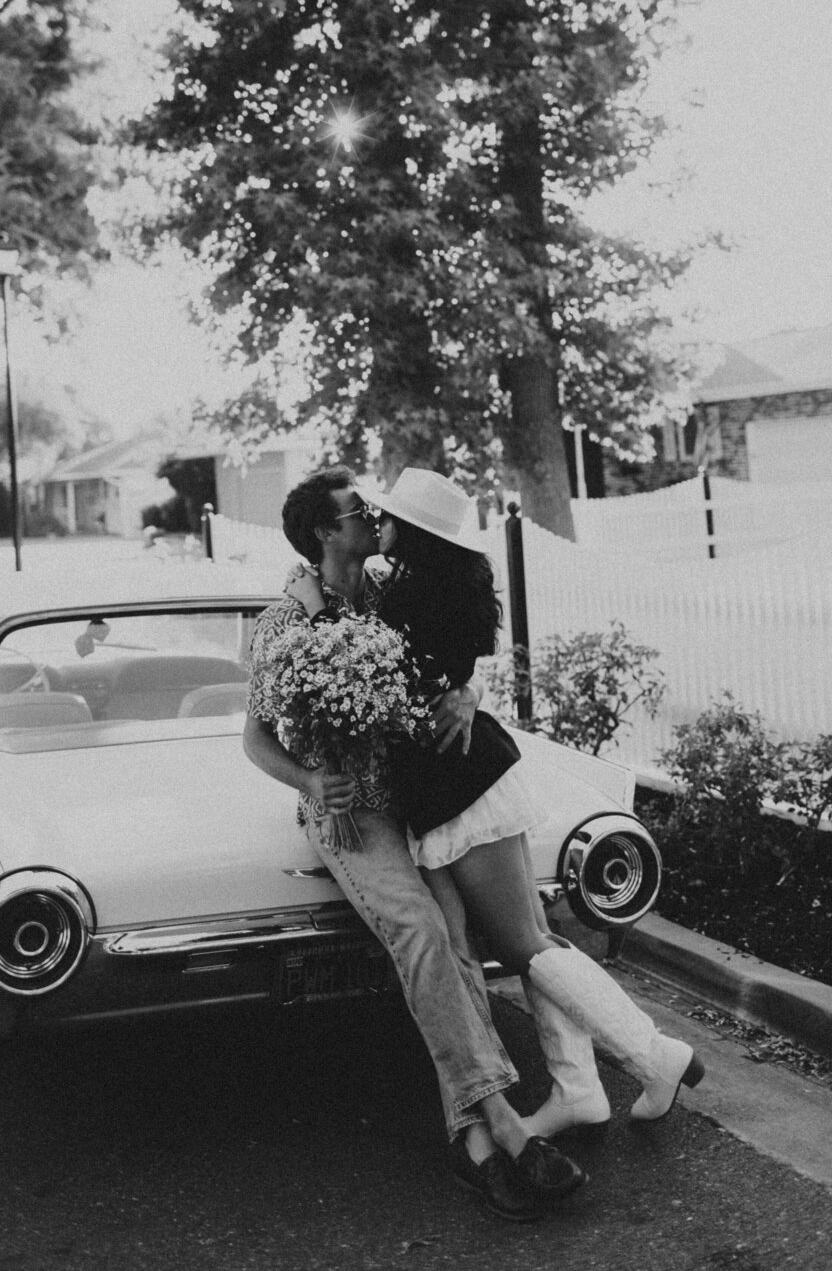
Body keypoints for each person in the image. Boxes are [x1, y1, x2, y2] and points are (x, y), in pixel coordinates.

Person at [293, 466, 704, 1138]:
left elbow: (353, 666)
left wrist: (316, 608)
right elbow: (441, 674)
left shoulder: (408, 599)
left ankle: (651, 1054)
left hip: (460, 783)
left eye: (387, 517)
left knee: (522, 942)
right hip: (459, 776)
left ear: (412, 533)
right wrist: (465, 689)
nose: (377, 523)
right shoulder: (443, 586)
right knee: (529, 934)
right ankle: (577, 1091)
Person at [243, 465, 586, 1220]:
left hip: (416, 799)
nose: (372, 517)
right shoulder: (284, 623)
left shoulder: (388, 599)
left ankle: (475, 1146)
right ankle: (502, 1126)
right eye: (356, 511)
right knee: (422, 931)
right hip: (353, 814)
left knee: (455, 941)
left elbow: (447, 666)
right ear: (326, 533)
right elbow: (254, 739)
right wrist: (308, 782)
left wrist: (466, 693)